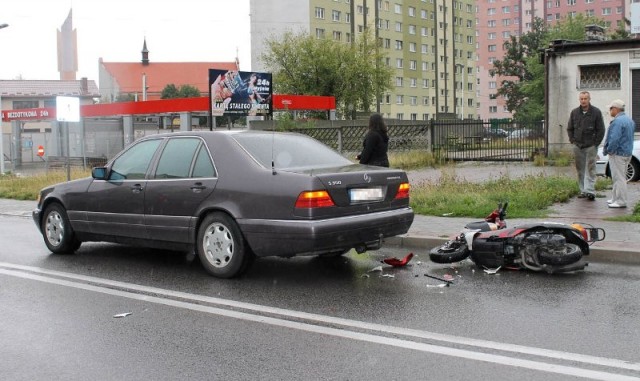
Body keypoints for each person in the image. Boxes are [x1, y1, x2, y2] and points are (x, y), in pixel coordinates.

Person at [567, 91, 605, 200]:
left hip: (591, 146)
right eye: (581, 99)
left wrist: (596, 143)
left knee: (590, 168)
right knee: (580, 169)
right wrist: (572, 140)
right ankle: (583, 190)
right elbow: (570, 128)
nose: (583, 101)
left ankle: (590, 191)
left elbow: (601, 129)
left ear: (589, 99)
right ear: (579, 100)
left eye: (585, 98)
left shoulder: (596, 112)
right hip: (578, 146)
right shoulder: (574, 112)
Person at [603, 99, 636, 208]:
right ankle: (614, 198)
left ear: (615, 109)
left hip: (618, 154)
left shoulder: (617, 122)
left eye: (611, 108)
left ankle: (621, 201)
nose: (610, 110)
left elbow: (614, 138)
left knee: (619, 178)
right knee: (618, 176)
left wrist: (610, 150)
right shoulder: (629, 120)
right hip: (627, 153)